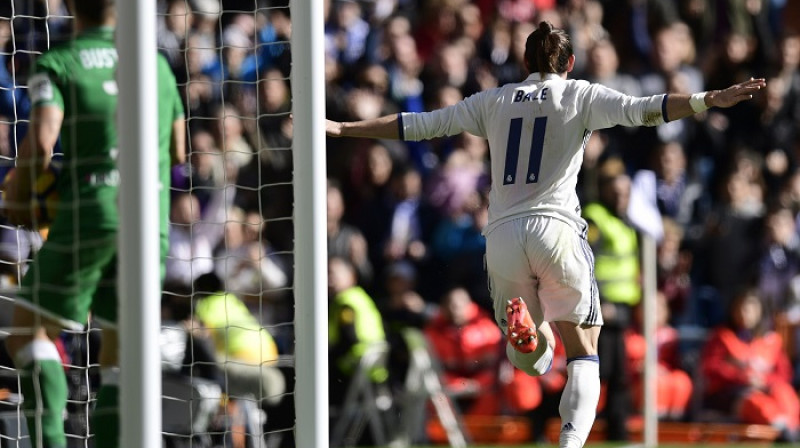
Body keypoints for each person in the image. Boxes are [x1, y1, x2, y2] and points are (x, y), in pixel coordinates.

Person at [326, 20, 765, 448]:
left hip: (501, 235)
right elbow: (647, 108)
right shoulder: (578, 94)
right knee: (584, 351)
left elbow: (418, 124)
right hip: (555, 228)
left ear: (524, 62)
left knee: (532, 361)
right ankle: (570, 441)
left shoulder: (492, 100)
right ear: (570, 62)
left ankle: (530, 335)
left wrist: (345, 129)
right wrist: (710, 98)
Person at [1, 0, 186, 446]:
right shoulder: (156, 66)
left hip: (92, 213)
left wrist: (21, 190)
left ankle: (51, 440)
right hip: (149, 223)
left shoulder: (59, 61)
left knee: (26, 330)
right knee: (120, 355)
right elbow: (180, 153)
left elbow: (43, 142)